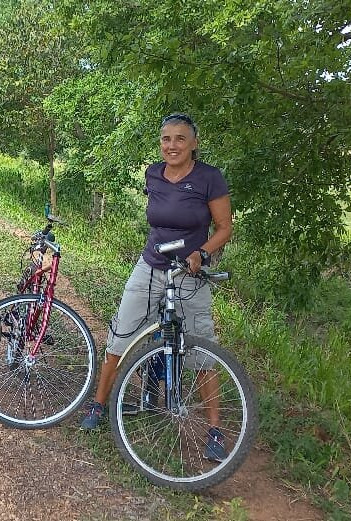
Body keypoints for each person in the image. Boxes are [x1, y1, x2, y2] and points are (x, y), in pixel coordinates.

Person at [80, 112, 233, 462]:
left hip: (190, 274)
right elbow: (159, 219)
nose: (172, 145)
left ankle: (214, 429)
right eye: (166, 139)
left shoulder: (209, 178)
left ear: (194, 143)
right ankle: (98, 404)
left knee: (202, 349)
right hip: (150, 265)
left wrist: (202, 252)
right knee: (120, 337)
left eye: (180, 139)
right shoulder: (154, 173)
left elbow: (224, 227)